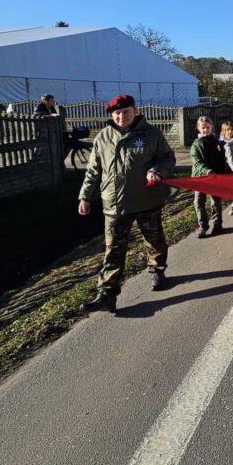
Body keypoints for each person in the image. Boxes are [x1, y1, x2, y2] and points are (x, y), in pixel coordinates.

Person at [78, 94, 175, 312]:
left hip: (146, 201)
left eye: (126, 112)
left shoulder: (151, 134)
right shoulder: (103, 137)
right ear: (112, 115)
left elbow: (167, 158)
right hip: (114, 204)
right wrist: (85, 196)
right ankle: (107, 294)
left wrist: (157, 170)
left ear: (135, 110)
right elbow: (94, 170)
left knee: (154, 239)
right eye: (117, 113)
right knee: (113, 250)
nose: (122, 116)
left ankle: (157, 272)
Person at [191, 115, 228, 238]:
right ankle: (203, 225)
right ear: (198, 128)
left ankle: (217, 224)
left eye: (207, 127)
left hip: (215, 177)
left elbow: (222, 159)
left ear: (211, 127)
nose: (205, 130)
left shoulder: (217, 142)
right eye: (203, 128)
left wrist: (226, 172)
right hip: (200, 177)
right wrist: (206, 170)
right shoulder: (196, 144)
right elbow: (197, 162)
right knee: (198, 201)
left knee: (216, 201)